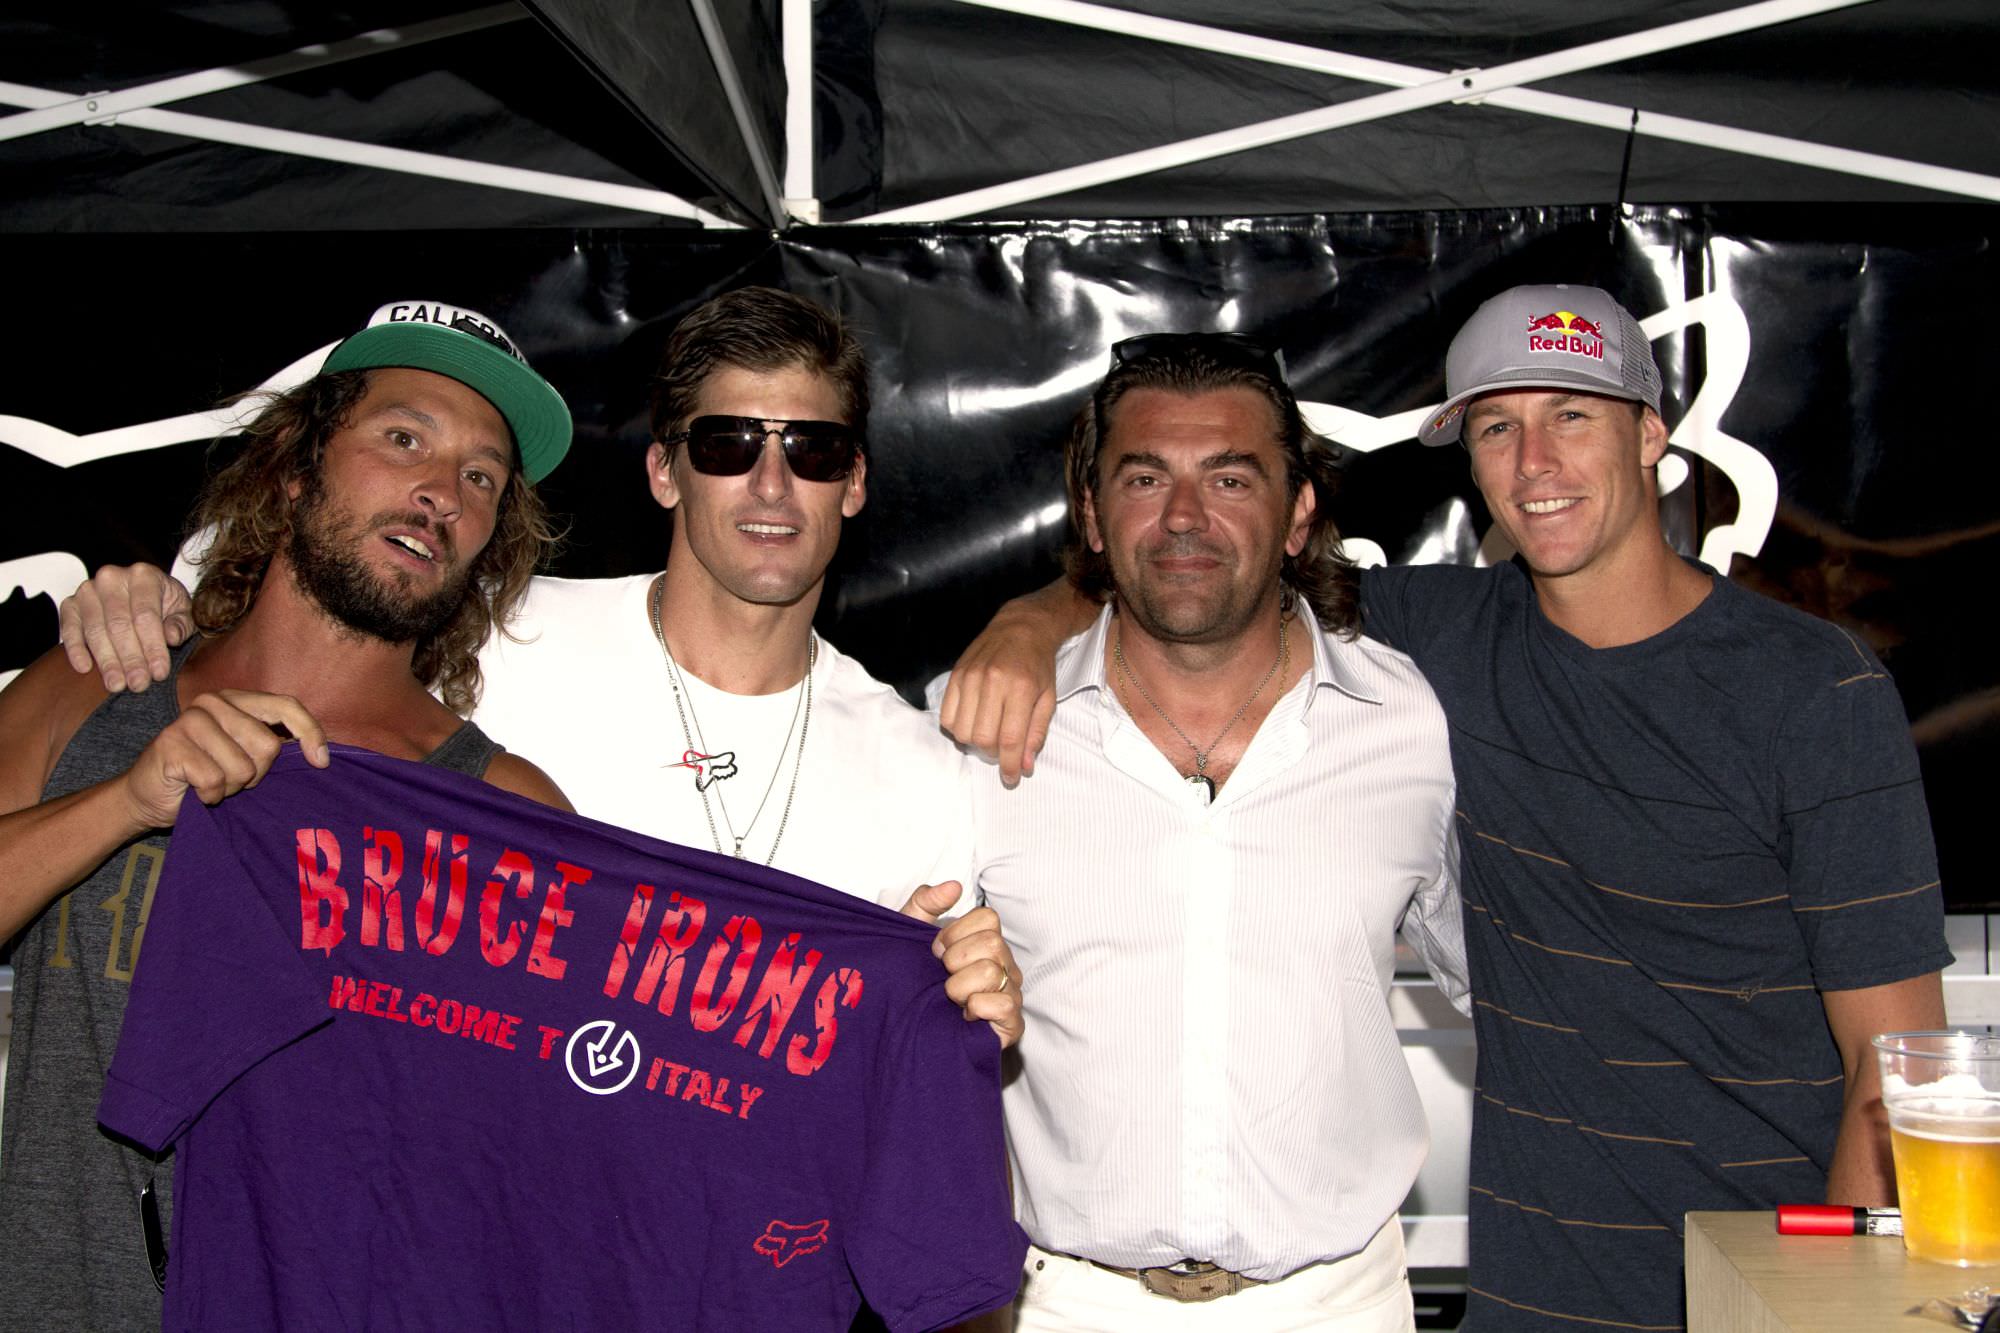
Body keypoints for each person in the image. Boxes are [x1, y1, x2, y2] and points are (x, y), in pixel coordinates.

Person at [942, 284, 1953, 1331]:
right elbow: (1192, 573)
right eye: (1496, 427)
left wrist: (1835, 1311)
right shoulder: (1434, 641)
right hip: (1536, 1287)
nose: (1535, 465)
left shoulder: (1806, 686)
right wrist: (1029, 622)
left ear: (1652, 435)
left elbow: (1899, 1072)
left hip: (1757, 1274)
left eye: (1571, 416)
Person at [52, 287, 1021, 1044]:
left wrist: (935, 995)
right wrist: (144, 597)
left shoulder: (920, 769)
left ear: (853, 483)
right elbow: (278, 619)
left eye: (812, 449)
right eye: (727, 443)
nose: (771, 483)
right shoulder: (480, 633)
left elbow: (916, 1039)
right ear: (662, 470)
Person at [0, 299, 576, 1332]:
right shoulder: (92, 688)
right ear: (299, 467)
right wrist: (126, 802)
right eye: (404, 438)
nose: (442, 489)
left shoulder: (501, 810)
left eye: (482, 477)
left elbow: (569, 1125)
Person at [948, 332, 1468, 1330]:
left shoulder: (1410, 723)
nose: (1183, 517)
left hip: (1340, 1304)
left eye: (1229, 478)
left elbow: (1512, 973)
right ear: (1093, 515)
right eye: (1144, 478)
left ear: (1297, 513)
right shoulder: (980, 735)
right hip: (1067, 1306)